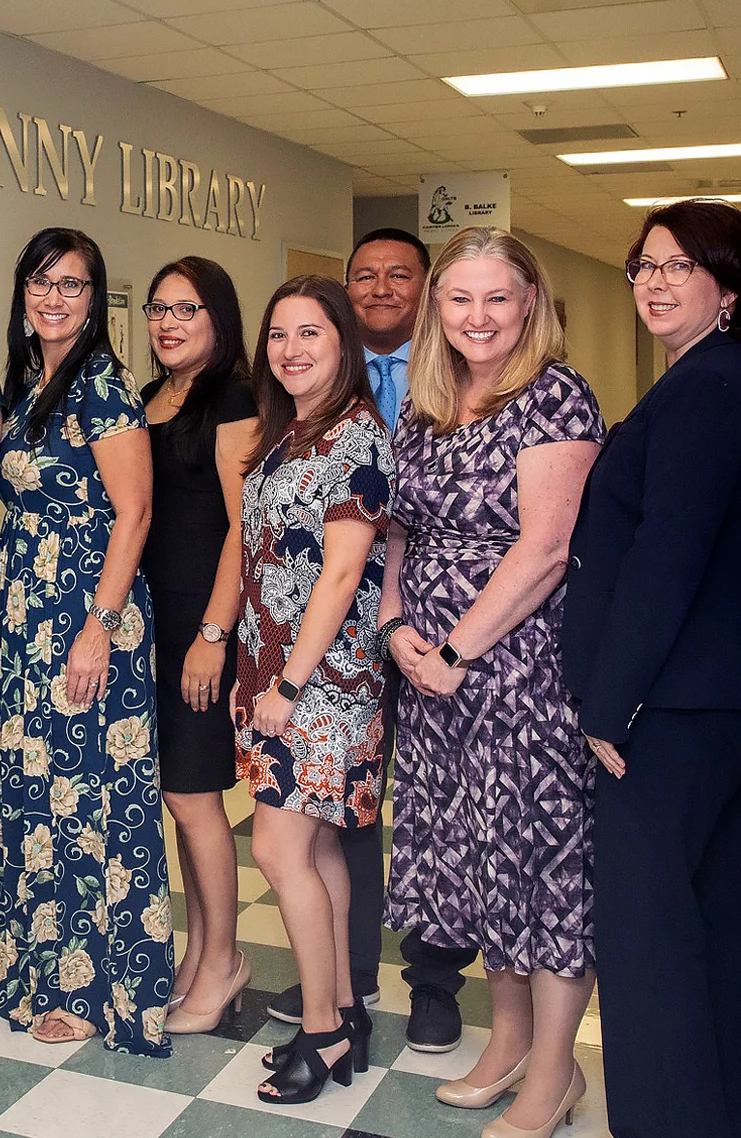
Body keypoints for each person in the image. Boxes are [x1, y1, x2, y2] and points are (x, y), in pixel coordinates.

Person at [562, 201, 741, 1138]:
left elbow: (669, 556)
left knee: (649, 938)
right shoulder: (719, 379)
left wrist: (609, 705)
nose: (654, 282)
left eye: (678, 267)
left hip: (673, 707)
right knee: (718, 917)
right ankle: (734, 1114)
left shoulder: (703, 389)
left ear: (727, 289)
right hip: (712, 701)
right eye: (643, 266)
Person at [381, 226, 603, 1138]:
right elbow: (397, 528)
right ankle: (506, 1042)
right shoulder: (430, 401)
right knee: (474, 860)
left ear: (530, 304)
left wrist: (455, 652)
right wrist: (397, 623)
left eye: (497, 298)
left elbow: (546, 548)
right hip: (427, 666)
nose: (478, 317)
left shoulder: (554, 396)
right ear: (438, 306)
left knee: (540, 864)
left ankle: (555, 1072)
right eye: (460, 298)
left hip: (515, 669)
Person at [270, 226, 480, 1056]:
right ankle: (344, 978)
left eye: (401, 275)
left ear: (425, 288)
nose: (382, 287)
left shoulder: (460, 376)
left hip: (434, 628)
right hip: (344, 642)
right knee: (341, 817)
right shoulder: (311, 397)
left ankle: (434, 979)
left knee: (437, 809)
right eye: (366, 276)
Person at [0, 227, 171, 1054]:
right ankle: (35, 961)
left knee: (89, 798)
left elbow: (136, 510)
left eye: (75, 285)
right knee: (34, 789)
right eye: (42, 283)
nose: (55, 298)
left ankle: (94, 986)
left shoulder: (101, 384)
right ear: (22, 292)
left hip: (90, 612)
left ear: (96, 301)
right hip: (25, 608)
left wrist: (98, 626)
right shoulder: (28, 382)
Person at [236, 275, 393, 1104]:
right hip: (279, 671)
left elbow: (341, 574)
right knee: (321, 847)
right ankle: (343, 1014)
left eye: (311, 334)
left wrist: (290, 684)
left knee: (276, 848)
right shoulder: (290, 434)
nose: (291, 350)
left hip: (320, 681)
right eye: (279, 336)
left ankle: (325, 1032)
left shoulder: (355, 439)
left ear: (345, 344)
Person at [137, 257, 258, 1036]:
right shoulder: (151, 397)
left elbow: (246, 529)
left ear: (218, 317)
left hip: (201, 624)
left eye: (187, 309)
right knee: (179, 797)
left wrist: (215, 634)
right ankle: (200, 951)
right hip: (149, 622)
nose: (169, 322)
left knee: (192, 794)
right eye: (158, 309)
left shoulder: (236, 400)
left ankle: (225, 959)